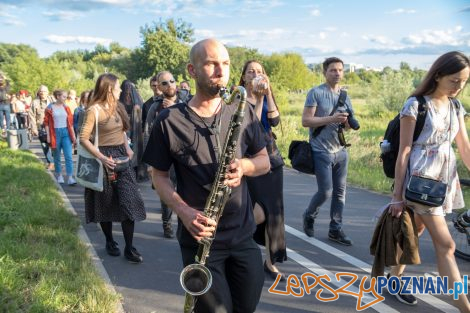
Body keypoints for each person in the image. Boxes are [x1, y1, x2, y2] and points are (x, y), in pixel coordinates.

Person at [143, 38, 270, 313]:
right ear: (192, 70)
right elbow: (159, 178)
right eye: (211, 63)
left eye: (225, 63)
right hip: (201, 241)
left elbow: (264, 161)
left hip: (243, 237)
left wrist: (245, 167)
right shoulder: (168, 121)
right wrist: (184, 212)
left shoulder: (242, 110)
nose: (220, 70)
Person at [388, 51, 470, 310]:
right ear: (438, 76)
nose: (459, 87)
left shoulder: (456, 106)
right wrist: (397, 197)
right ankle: (465, 307)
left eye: (464, 82)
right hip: (420, 181)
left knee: (415, 231)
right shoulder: (415, 105)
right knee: (447, 244)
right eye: (454, 81)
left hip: (443, 181)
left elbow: (465, 148)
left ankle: (393, 278)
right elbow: (404, 151)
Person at [80, 73, 146, 263]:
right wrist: (101, 157)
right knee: (105, 203)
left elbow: (123, 130)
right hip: (103, 159)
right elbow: (83, 138)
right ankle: (110, 241)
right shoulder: (94, 110)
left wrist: (128, 149)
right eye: (118, 87)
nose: (121, 91)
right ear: (109, 89)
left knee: (130, 201)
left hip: (122, 159)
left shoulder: (118, 107)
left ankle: (129, 247)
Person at [238, 60, 287, 280]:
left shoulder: (266, 95)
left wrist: (267, 95)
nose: (256, 75)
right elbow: (253, 127)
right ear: (244, 77)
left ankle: (271, 262)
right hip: (252, 159)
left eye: (259, 71)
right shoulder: (238, 99)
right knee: (259, 210)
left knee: (275, 212)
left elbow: (274, 121)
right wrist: (257, 99)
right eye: (251, 72)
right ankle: (235, 239)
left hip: (273, 158)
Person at [301, 57, 356, 246]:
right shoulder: (315, 93)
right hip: (321, 150)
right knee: (325, 191)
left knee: (340, 193)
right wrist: (332, 118)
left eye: (340, 70)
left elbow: (347, 127)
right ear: (325, 72)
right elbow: (306, 121)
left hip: (341, 151)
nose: (337, 73)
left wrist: (347, 123)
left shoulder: (345, 95)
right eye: (333, 70)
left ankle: (335, 229)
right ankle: (309, 214)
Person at [143, 70, 191, 239]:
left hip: (186, 155)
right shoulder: (155, 107)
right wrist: (150, 163)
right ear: (159, 87)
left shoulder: (187, 101)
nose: (170, 85)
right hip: (166, 157)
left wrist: (176, 109)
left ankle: (187, 223)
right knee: (168, 192)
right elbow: (148, 132)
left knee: (188, 191)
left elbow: (196, 123)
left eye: (172, 81)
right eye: (164, 83)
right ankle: (167, 224)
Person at [43, 89, 77, 185]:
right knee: (57, 157)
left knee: (68, 156)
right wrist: (48, 136)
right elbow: (46, 123)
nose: (66, 98)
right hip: (55, 133)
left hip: (66, 132)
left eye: (66, 97)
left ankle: (70, 177)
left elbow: (70, 123)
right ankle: (59, 175)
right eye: (64, 96)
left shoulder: (66, 107)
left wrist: (73, 136)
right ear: (57, 96)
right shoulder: (50, 108)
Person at [119, 80, 147, 182]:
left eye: (129, 87)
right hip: (124, 128)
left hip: (135, 129)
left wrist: (137, 111)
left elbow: (142, 114)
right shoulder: (120, 100)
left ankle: (135, 174)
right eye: (126, 87)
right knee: (125, 151)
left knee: (135, 151)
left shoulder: (137, 99)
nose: (128, 89)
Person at [29, 85, 55, 169]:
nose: (42, 93)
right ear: (38, 93)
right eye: (41, 91)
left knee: (54, 145)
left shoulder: (53, 100)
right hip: (42, 126)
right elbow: (31, 116)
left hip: (54, 126)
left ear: (48, 92)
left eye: (44, 91)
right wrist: (34, 128)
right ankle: (50, 162)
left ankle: (55, 161)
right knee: (45, 145)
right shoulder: (34, 102)